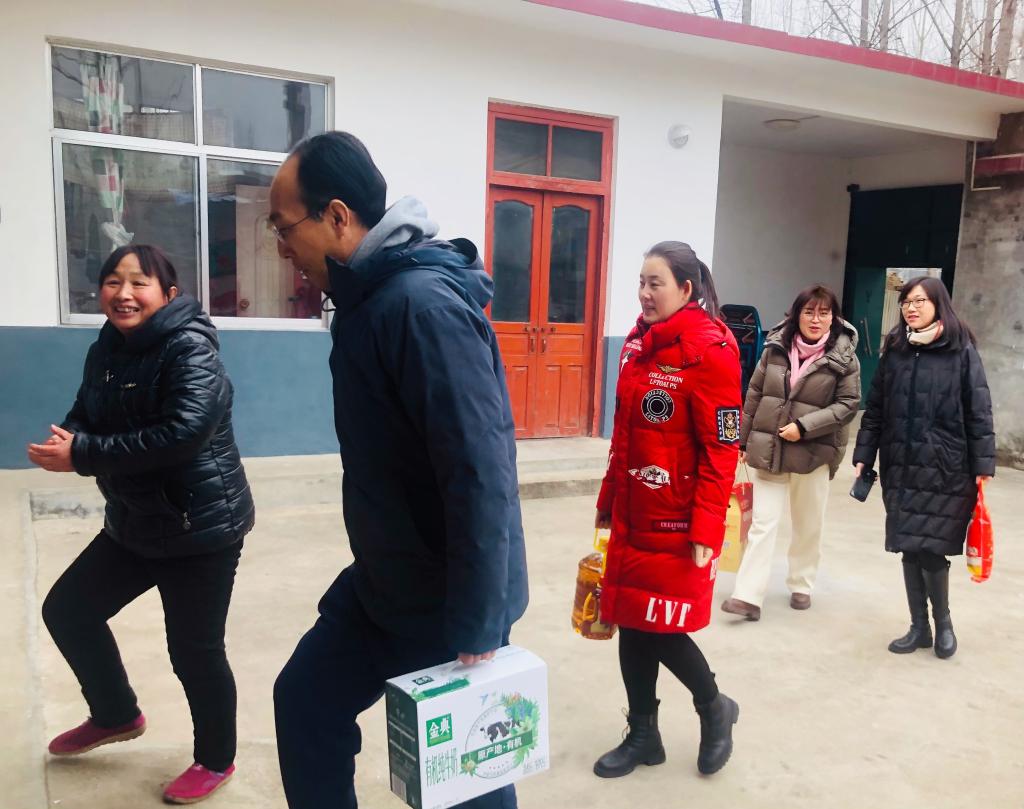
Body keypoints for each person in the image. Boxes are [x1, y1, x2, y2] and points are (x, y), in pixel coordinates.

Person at [268, 132, 528, 809]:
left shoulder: (419, 305)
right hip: (388, 582)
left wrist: (478, 620)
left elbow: (481, 468)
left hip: (447, 599)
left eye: (283, 226)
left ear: (336, 216)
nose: (280, 246)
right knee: (307, 700)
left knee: (463, 779)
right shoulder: (369, 299)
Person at [29, 245, 254, 804]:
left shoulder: (190, 349)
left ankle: (216, 759)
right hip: (134, 522)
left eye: (138, 282)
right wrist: (71, 438)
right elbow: (87, 411)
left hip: (200, 527)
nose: (123, 293)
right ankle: (115, 714)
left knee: (194, 651)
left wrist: (84, 454)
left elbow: (182, 435)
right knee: (68, 611)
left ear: (167, 294)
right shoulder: (107, 347)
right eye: (112, 281)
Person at [592, 241, 741, 780]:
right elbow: (625, 438)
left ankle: (713, 706)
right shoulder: (639, 343)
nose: (644, 293)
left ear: (686, 288)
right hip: (634, 510)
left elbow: (723, 447)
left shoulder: (711, 351)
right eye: (641, 282)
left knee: (660, 625)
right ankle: (643, 735)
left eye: (655, 283)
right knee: (631, 619)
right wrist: (609, 499)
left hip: (675, 520)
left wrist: (706, 525)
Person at [852, 276, 994, 659]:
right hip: (900, 464)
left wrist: (983, 464)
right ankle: (919, 627)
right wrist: (864, 453)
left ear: (938, 304)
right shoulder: (896, 350)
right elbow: (875, 408)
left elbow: (979, 411)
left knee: (931, 548)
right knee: (909, 547)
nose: (911, 308)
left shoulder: (961, 350)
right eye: (906, 302)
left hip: (946, 467)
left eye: (919, 301)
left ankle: (943, 624)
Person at [721, 285, 860, 621]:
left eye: (823, 313)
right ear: (797, 314)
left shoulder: (844, 357)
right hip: (769, 449)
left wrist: (805, 427)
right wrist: (742, 441)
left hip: (814, 453)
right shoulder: (775, 348)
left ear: (833, 318)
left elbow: (848, 405)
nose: (815, 319)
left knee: (808, 523)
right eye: (809, 312)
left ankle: (801, 582)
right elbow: (755, 393)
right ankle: (747, 596)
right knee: (762, 524)